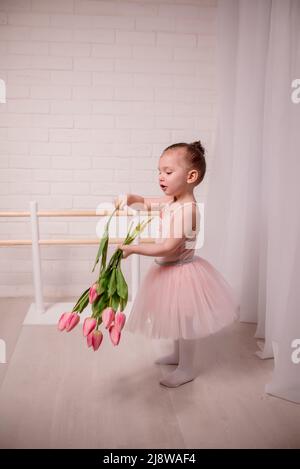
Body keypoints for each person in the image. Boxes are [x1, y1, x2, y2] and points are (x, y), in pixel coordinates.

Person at [115, 141, 240, 388]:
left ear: (191, 176)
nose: (161, 177)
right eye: (159, 171)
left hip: (183, 273)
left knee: (186, 320)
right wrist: (131, 199)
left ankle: (187, 367)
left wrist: (134, 248)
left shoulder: (188, 210)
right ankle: (177, 355)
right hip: (166, 272)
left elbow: (167, 247)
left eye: (168, 172)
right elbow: (146, 202)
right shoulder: (171, 201)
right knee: (174, 317)